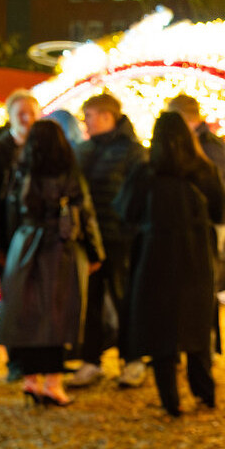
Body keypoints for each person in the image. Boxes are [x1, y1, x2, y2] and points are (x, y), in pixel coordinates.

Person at [114, 111, 225, 417]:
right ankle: (205, 393)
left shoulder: (145, 171)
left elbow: (126, 212)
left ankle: (170, 400)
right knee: (197, 323)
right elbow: (220, 211)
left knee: (161, 326)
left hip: (155, 254)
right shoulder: (204, 170)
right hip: (195, 253)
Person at [0, 119, 103, 407]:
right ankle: (53, 383)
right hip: (60, 248)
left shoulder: (20, 170)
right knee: (57, 314)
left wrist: (3, 250)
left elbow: (6, 211)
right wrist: (95, 252)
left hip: (24, 245)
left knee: (25, 314)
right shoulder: (69, 172)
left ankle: (30, 380)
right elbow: (85, 213)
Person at [68, 92, 149, 388]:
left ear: (105, 116)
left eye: (88, 116)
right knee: (90, 303)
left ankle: (132, 359)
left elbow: (139, 195)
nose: (85, 122)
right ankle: (91, 360)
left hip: (119, 239)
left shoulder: (131, 151)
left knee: (124, 299)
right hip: (89, 239)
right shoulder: (83, 150)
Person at [166, 93, 225, 304]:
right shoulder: (206, 142)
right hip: (211, 218)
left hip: (211, 219)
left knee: (204, 269)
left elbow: (214, 189)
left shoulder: (206, 145)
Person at [0, 90, 40, 274]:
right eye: (21, 113)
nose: (27, 118)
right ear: (10, 116)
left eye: (32, 113)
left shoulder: (46, 148)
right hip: (6, 234)